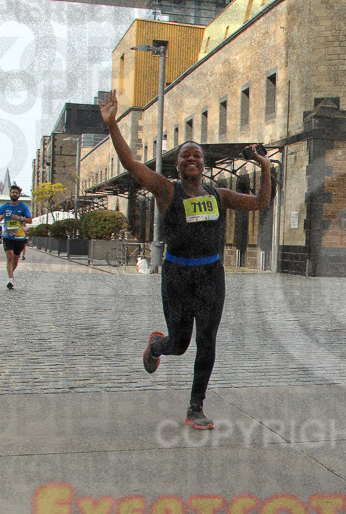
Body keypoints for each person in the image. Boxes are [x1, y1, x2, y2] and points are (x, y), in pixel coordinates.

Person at [100, 90, 271, 429]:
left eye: (196, 156)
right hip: (177, 276)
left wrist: (265, 166)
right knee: (180, 344)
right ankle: (157, 346)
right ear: (177, 164)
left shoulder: (218, 195)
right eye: (184, 156)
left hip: (210, 276)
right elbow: (132, 165)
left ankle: (196, 406)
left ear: (203, 164)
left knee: (207, 340)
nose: (191, 159)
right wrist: (112, 125)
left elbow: (261, 202)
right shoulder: (167, 191)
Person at [0, 185, 33, 289]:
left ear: (19, 195)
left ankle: (11, 274)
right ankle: (11, 280)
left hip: (19, 237)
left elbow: (30, 220)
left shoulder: (23, 207)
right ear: (10, 194)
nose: (14, 194)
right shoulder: (4, 207)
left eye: (16, 193)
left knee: (16, 258)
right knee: (9, 256)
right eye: (12, 192)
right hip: (8, 236)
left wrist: (20, 218)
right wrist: (0, 218)